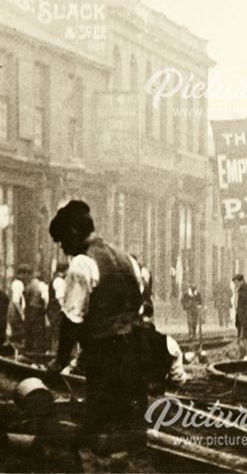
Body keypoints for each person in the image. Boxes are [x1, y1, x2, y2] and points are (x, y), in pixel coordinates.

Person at [46, 200, 150, 470]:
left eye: (62, 242)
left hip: (103, 354)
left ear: (73, 232)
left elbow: (72, 318)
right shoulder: (126, 258)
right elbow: (139, 303)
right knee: (126, 424)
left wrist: (59, 362)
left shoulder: (82, 263)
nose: (63, 249)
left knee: (98, 426)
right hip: (134, 352)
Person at [22, 266, 49, 354]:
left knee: (32, 330)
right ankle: (36, 350)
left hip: (33, 309)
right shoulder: (37, 283)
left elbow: (26, 295)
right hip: (37, 309)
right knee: (37, 330)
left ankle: (33, 350)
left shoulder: (32, 283)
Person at [48, 262, 68, 351]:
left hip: (53, 310)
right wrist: (66, 311)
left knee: (56, 334)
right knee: (58, 334)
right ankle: (56, 354)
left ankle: (54, 353)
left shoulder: (55, 279)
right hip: (56, 311)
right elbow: (60, 298)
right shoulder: (59, 281)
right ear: (65, 270)